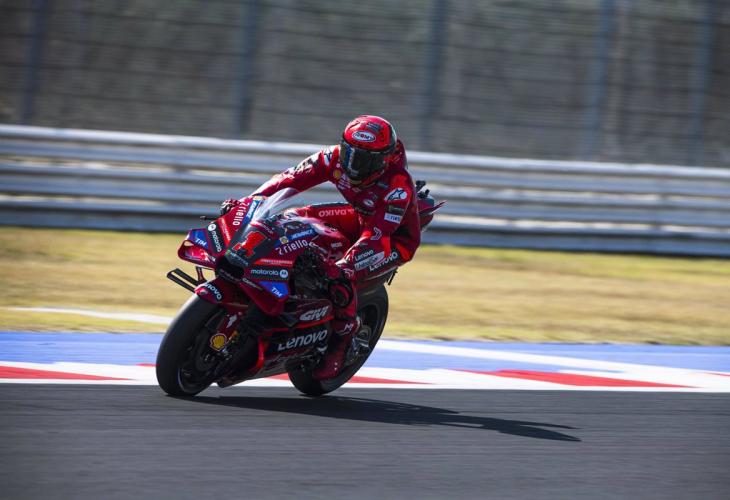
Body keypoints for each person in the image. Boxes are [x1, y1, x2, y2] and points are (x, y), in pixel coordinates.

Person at [219, 115, 421, 379]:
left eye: (364, 160)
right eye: (349, 154)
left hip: (393, 241)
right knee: (293, 218)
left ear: (384, 159)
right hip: (359, 216)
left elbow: (377, 236)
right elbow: (289, 179)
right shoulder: (333, 158)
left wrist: (346, 264)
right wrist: (250, 202)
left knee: (340, 276)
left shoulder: (397, 185)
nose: (353, 166)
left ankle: (341, 341)